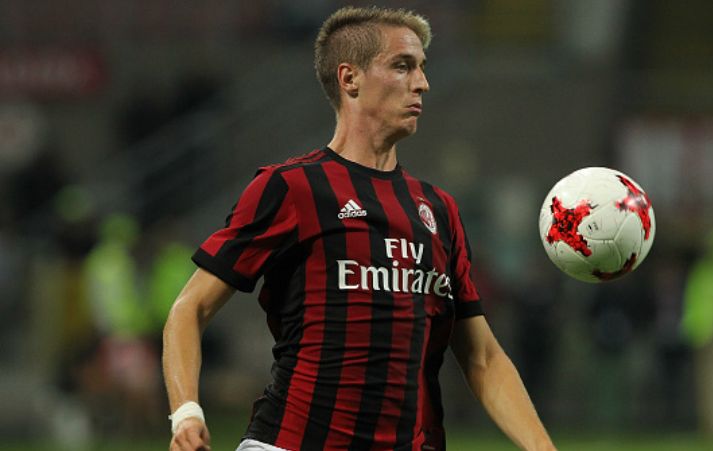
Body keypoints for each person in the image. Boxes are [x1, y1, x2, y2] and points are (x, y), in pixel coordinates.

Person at [163, 6, 556, 451]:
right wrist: (187, 412)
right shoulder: (292, 188)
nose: (422, 83)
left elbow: (483, 358)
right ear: (350, 79)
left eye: (422, 68)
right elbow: (188, 309)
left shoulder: (438, 210)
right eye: (403, 66)